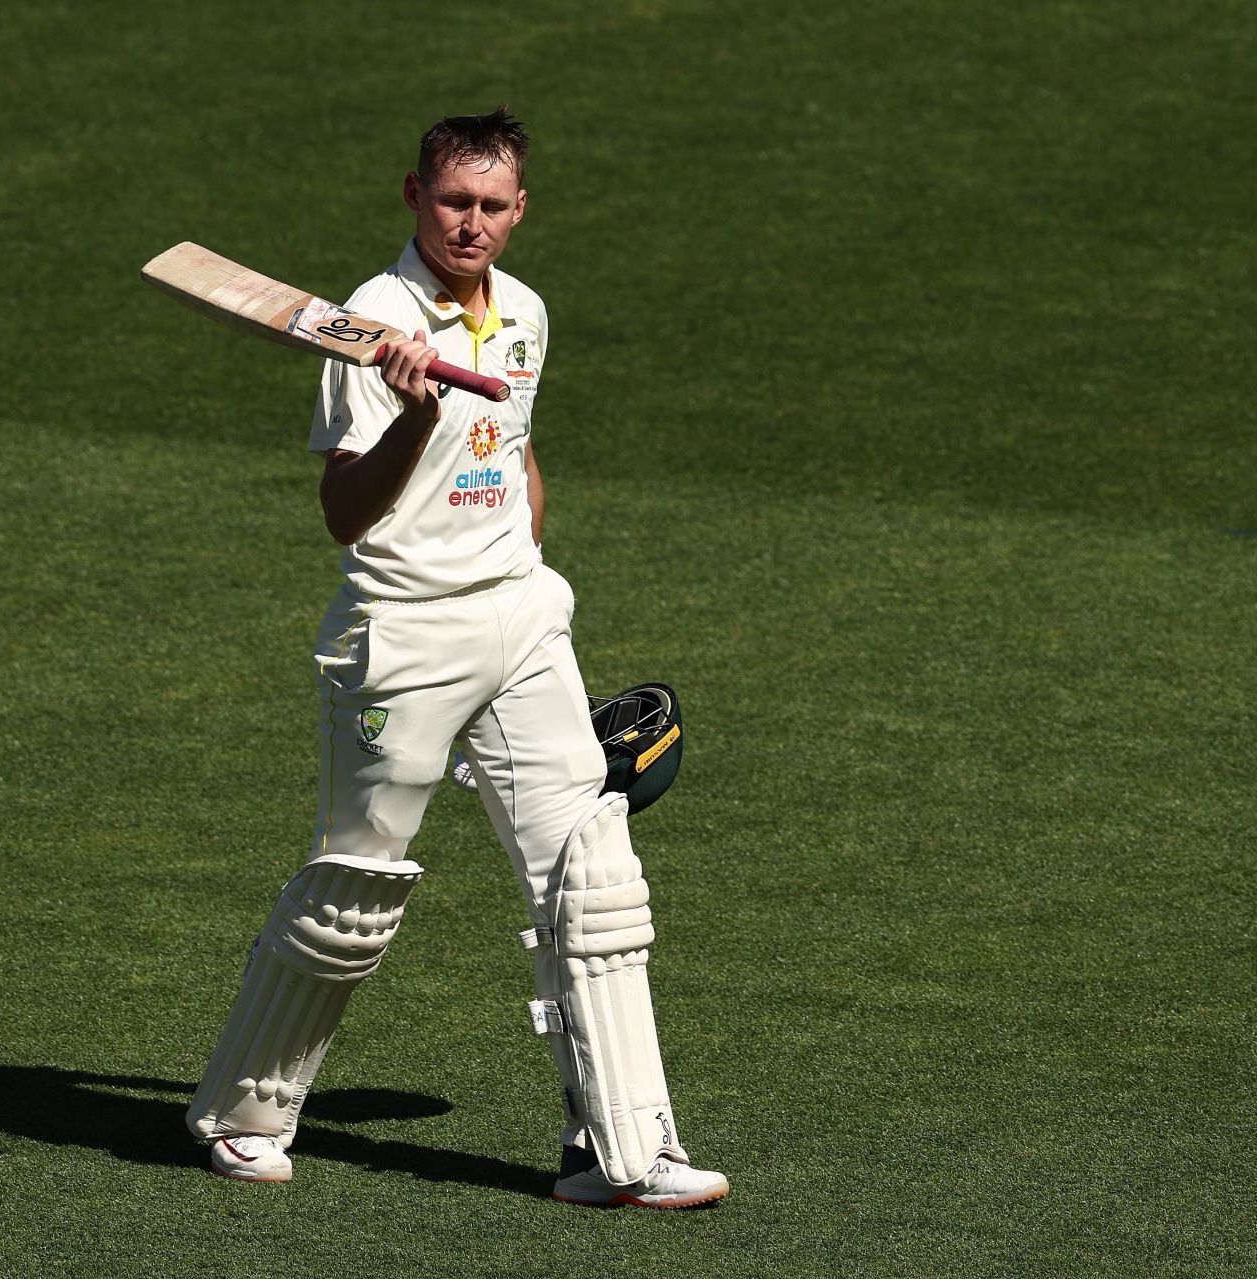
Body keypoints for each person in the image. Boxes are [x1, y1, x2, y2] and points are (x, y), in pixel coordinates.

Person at [184, 108, 728, 1210]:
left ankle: (621, 1150)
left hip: (521, 620)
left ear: (520, 208)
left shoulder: (524, 311)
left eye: (491, 205)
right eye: (451, 202)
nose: (470, 224)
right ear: (413, 197)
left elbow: (519, 447)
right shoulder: (371, 325)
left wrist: (526, 570)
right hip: (404, 633)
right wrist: (413, 416)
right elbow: (345, 512)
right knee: (355, 887)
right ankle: (244, 1113)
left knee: (593, 877)